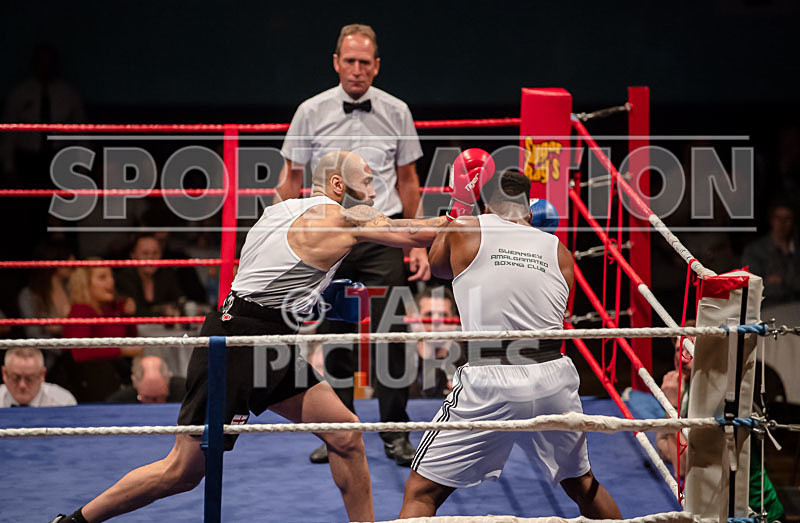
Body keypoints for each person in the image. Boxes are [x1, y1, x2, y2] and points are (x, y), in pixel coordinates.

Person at [51, 149, 471, 523]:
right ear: (338, 184)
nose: (377, 191)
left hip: (266, 340)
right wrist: (467, 208)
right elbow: (418, 233)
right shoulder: (343, 215)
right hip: (240, 344)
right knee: (181, 471)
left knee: (345, 434)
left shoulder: (278, 209)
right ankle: (76, 521)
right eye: (368, 181)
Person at [399, 171, 621, 518]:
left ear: (486, 205)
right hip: (553, 377)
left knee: (421, 492)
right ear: (529, 211)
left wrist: (459, 204)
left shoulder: (467, 228)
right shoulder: (560, 251)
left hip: (492, 377)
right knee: (582, 484)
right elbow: (560, 313)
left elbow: (437, 266)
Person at [278, 23, 428, 466]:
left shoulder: (397, 110)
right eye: (350, 61)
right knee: (334, 333)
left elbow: (408, 180)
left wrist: (416, 245)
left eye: (366, 62)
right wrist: (285, 238)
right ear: (336, 62)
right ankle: (338, 433)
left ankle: (395, 434)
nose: (357, 70)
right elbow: (291, 180)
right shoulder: (311, 110)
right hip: (329, 234)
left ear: (376, 66)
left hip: (383, 232)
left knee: (394, 335)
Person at [656, 324, 785, 521]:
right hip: (718, 507)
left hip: (755, 514)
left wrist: (670, 408)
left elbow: (680, 467)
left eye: (690, 349)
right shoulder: (689, 388)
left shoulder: (717, 400)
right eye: (678, 349)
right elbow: (663, 446)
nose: (682, 358)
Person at [60, 266, 141, 402]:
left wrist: (129, 317)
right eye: (103, 278)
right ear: (86, 285)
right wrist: (120, 350)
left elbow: (131, 340)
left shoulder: (110, 310)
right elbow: (79, 353)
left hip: (113, 374)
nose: (111, 282)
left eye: (111, 277)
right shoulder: (80, 311)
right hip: (86, 380)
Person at [407, 286, 464, 399]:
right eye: (429, 315)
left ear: (453, 323)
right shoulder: (398, 362)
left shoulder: (468, 364)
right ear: (416, 322)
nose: (437, 321)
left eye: (444, 315)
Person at [741, 201, 800, 306]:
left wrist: (782, 280)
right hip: (769, 309)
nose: (782, 223)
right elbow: (752, 289)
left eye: (787, 218)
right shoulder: (755, 251)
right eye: (778, 218)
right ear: (771, 220)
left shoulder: (797, 249)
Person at [114, 234, 184, 317]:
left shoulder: (166, 275)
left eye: (155, 253)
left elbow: (180, 302)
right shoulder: (124, 278)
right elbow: (135, 311)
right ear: (133, 256)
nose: (151, 257)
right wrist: (161, 311)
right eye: (145, 253)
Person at [1, 348, 76, 407]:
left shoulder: (63, 403)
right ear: (4, 373)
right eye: (15, 378)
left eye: (29, 379)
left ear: (42, 375)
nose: (22, 385)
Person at [105, 355, 186, 404]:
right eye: (147, 398)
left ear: (169, 380)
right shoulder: (119, 403)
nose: (154, 406)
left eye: (161, 397)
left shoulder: (187, 394)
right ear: (134, 383)